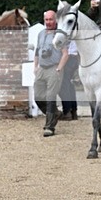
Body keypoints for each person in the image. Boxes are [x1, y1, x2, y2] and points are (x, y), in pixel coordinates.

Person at [34, 9, 69, 137]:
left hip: (54, 69)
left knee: (50, 98)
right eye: (46, 20)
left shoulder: (59, 35)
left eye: (51, 20)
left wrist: (59, 68)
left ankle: (49, 127)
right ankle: (55, 114)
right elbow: (37, 51)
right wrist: (35, 66)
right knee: (38, 97)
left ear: (55, 20)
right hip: (42, 69)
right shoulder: (41, 34)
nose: (48, 22)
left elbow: (65, 54)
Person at [59, 40, 79, 120]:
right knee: (69, 86)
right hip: (73, 57)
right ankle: (73, 111)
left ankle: (67, 112)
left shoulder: (65, 30)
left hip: (68, 57)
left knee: (64, 86)